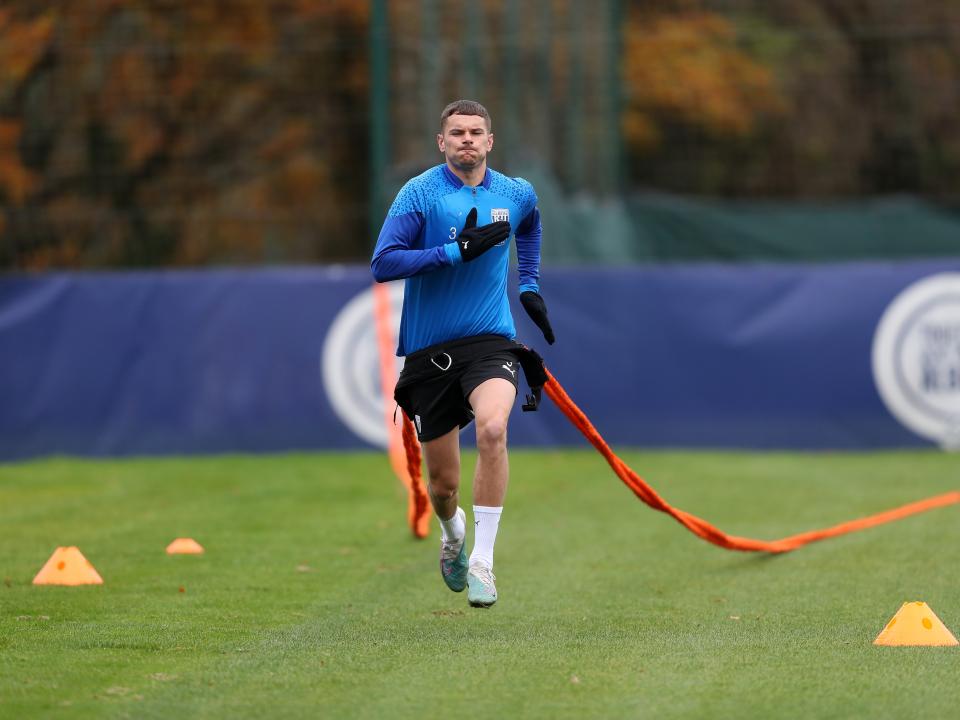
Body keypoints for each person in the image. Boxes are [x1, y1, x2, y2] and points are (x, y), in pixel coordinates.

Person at [370, 99, 554, 608]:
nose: (467, 139)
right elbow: (383, 264)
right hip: (431, 352)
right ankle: (453, 538)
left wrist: (530, 284)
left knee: (495, 427)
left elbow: (532, 223)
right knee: (443, 486)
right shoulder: (421, 193)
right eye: (457, 133)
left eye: (476, 132)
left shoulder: (515, 193)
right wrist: (457, 251)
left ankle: (484, 563)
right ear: (442, 142)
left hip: (490, 340)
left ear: (490, 141)